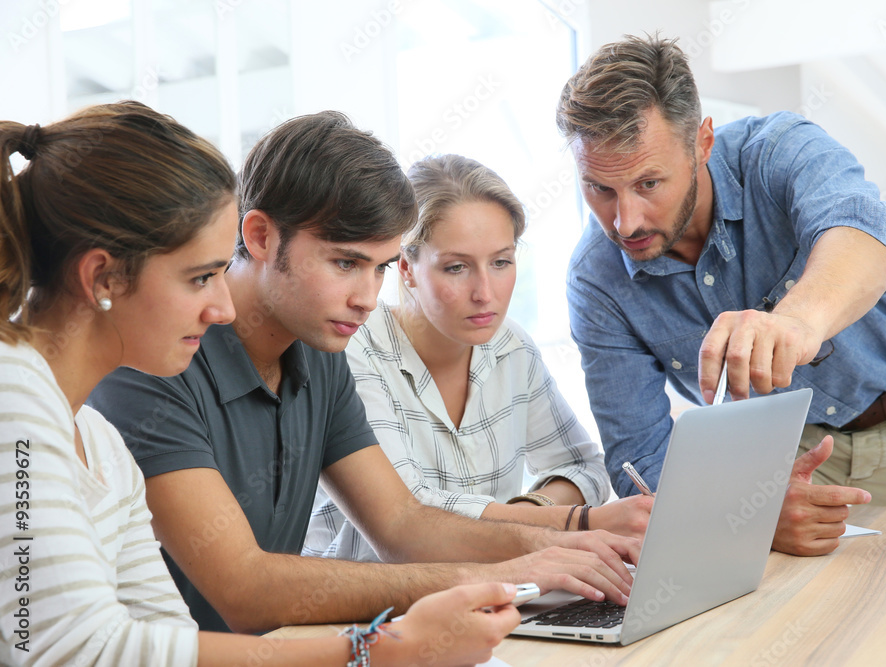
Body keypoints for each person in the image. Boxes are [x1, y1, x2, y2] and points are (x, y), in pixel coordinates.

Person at [0, 102, 519, 667]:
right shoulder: (14, 402)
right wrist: (375, 651)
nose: (223, 306)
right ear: (103, 277)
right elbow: (80, 649)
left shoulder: (98, 441)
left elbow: (164, 637)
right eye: (201, 277)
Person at [88, 111, 640, 636]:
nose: (368, 299)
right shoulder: (154, 358)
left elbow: (402, 524)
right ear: (259, 236)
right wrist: (496, 576)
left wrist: (567, 542)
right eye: (345, 263)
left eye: (379, 269)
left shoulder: (319, 351)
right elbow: (244, 587)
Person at [557, 34, 886, 557]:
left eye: (648, 183)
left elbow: (865, 230)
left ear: (702, 143)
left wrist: (797, 322)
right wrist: (749, 514)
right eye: (599, 188)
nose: (625, 221)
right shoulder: (594, 279)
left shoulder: (779, 150)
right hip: (783, 459)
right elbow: (640, 459)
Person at [305, 155, 653, 563]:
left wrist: (527, 515)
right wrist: (576, 523)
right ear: (406, 268)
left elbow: (584, 466)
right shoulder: (352, 351)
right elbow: (413, 514)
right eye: (457, 268)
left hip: (496, 588)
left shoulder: (510, 348)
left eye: (501, 262)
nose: (485, 293)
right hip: (366, 607)